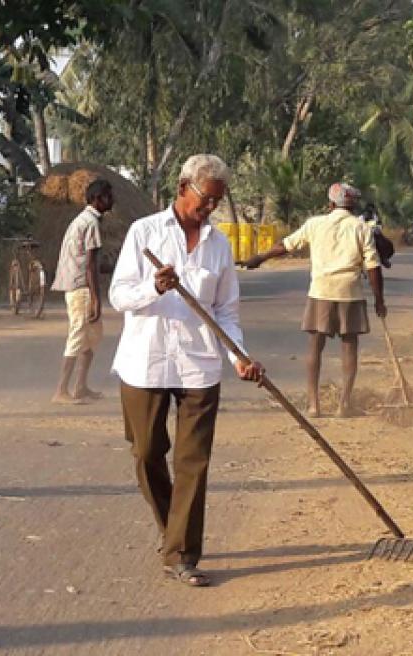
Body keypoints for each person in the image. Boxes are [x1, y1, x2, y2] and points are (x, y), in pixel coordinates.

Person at [110, 154, 264, 588]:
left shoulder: (219, 245)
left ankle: (182, 553)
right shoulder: (144, 233)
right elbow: (119, 296)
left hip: (199, 366)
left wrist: (240, 358)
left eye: (216, 201)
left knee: (193, 461)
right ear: (182, 189)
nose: (209, 208)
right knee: (145, 453)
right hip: (146, 362)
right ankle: (171, 529)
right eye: (204, 199)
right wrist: (152, 287)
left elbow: (225, 312)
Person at [245, 183, 385, 418]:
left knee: (315, 347)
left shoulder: (315, 224)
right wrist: (379, 300)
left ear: (330, 204)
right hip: (349, 292)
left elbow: (286, 245)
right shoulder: (361, 227)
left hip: (321, 290)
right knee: (349, 347)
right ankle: (344, 405)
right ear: (352, 205)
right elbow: (373, 267)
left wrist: (260, 258)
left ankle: (313, 405)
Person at [51, 179, 114, 404]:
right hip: (81, 288)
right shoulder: (91, 223)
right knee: (78, 334)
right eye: (108, 196)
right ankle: (61, 390)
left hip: (78, 285)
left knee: (92, 336)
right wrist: (96, 299)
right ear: (97, 199)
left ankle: (80, 387)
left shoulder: (83, 220)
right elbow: (89, 264)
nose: (112, 200)